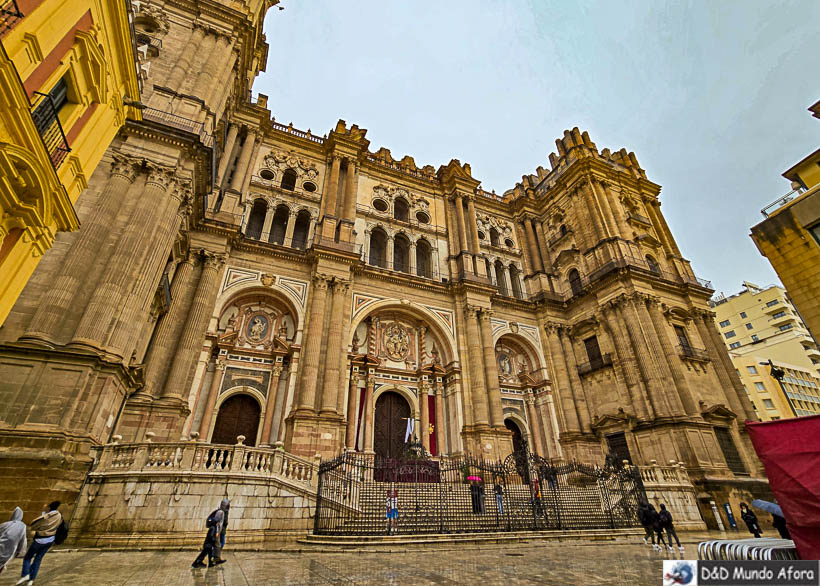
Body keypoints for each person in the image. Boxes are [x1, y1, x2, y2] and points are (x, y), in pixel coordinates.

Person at [17, 501, 61, 585]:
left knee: (27, 558)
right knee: (38, 559)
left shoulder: (46, 517)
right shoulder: (59, 515)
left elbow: (34, 525)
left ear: (50, 508)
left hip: (40, 540)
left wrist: (44, 513)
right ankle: (31, 580)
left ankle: (26, 574)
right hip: (50, 540)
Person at [192, 500, 229, 569]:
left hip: (212, 535)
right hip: (212, 535)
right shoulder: (219, 515)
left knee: (209, 549)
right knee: (207, 549)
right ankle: (196, 563)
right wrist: (217, 533)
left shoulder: (214, 525)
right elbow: (218, 525)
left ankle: (210, 563)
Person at [0, 508, 27, 575]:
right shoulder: (22, 526)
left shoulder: (5, 524)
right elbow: (23, 539)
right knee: (2, 564)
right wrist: (20, 551)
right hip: (10, 549)